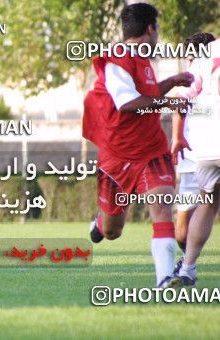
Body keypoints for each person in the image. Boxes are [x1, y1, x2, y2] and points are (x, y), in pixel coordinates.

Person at [83, 3, 194, 287]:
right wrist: (168, 101)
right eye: (157, 30)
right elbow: (128, 103)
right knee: (111, 231)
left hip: (151, 151)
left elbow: (146, 93)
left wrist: (171, 82)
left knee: (162, 209)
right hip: (117, 156)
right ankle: (100, 221)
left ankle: (164, 278)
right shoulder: (117, 59)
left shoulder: (143, 61)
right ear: (150, 29)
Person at [171, 38, 220, 286]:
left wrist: (177, 137)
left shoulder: (207, 54)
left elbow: (181, 98)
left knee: (208, 202)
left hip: (206, 143)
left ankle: (187, 268)